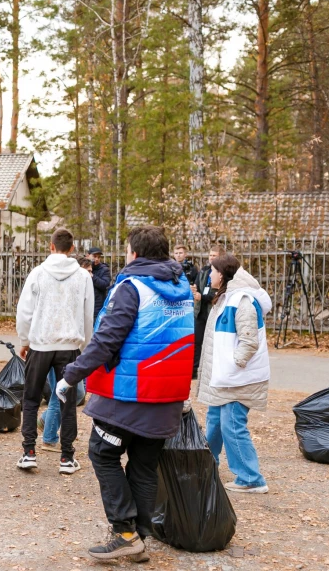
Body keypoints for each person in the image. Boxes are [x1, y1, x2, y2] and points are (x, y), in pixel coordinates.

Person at [59, 225, 194, 562]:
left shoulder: (132, 287)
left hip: (129, 395)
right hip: (167, 395)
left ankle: (123, 531)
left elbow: (106, 340)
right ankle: (138, 537)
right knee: (144, 465)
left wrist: (70, 376)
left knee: (102, 453)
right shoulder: (181, 289)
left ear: (134, 253)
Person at [15, 228, 94, 475]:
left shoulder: (38, 274)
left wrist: (25, 340)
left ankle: (29, 452)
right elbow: (87, 313)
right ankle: (67, 457)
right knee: (68, 403)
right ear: (72, 248)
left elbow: (24, 310)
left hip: (40, 343)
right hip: (69, 346)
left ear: (51, 246)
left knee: (30, 399)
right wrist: (84, 346)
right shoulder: (83, 277)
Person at [197, 253, 272, 494]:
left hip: (236, 378)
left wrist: (233, 364)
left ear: (223, 274)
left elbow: (249, 342)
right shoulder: (225, 298)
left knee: (231, 424)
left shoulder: (242, 301)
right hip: (225, 377)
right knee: (215, 421)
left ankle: (251, 478)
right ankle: (207, 465)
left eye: (213, 270)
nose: (210, 274)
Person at [191, 244, 226, 378]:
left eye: (214, 256)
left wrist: (203, 296)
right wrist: (194, 291)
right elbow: (197, 286)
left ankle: (213, 370)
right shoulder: (204, 271)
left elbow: (219, 293)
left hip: (213, 311)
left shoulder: (222, 273)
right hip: (200, 311)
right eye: (210, 255)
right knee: (197, 341)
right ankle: (194, 370)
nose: (211, 258)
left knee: (213, 342)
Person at [88, 247, 111, 319]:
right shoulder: (82, 267)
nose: (97, 259)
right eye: (94, 256)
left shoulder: (104, 269)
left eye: (98, 257)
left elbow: (105, 284)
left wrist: (92, 276)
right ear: (88, 256)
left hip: (97, 307)